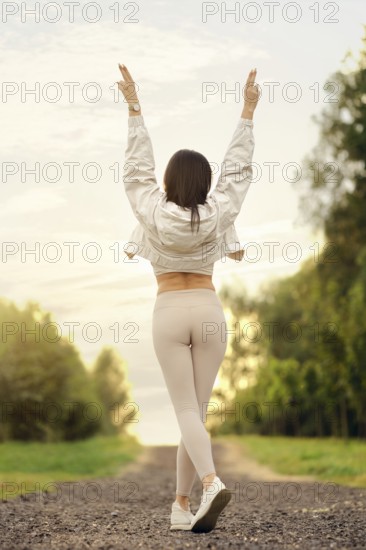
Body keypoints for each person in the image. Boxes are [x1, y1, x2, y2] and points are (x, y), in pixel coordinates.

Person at [117, 64, 259, 533]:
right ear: (203, 184)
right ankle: (181, 506)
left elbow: (137, 170)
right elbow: (237, 172)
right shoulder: (218, 213)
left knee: (184, 412)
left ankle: (211, 481)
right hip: (209, 309)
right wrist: (247, 113)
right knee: (194, 413)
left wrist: (134, 107)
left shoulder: (153, 213)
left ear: (170, 182)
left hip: (169, 311)